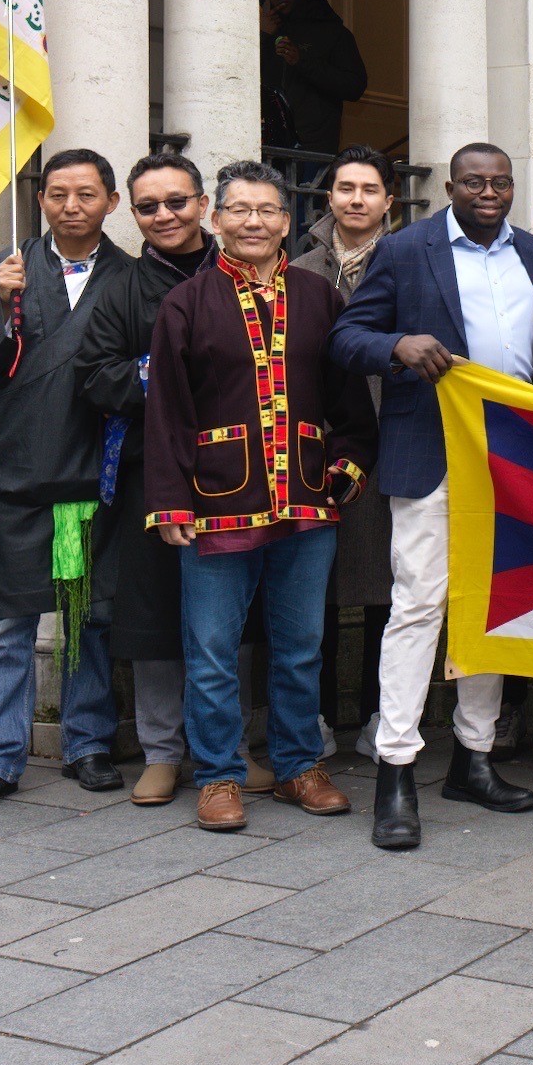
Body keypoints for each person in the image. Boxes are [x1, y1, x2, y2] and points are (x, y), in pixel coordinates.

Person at [331, 141, 533, 838]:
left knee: (492, 606)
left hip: (515, 460)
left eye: (500, 181)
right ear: (450, 186)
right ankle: (396, 771)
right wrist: (398, 344)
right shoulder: (407, 249)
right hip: (430, 453)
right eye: (473, 181)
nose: (488, 191)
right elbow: (348, 336)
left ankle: (474, 757)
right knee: (420, 606)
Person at [146, 160, 375, 833]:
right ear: (216, 218)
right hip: (215, 501)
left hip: (306, 501)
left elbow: (350, 407)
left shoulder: (318, 295)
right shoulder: (184, 303)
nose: (254, 221)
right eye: (240, 209)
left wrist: (348, 465)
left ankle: (301, 763)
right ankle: (219, 773)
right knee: (213, 648)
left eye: (268, 209)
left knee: (301, 643)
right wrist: (171, 503)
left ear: (287, 220)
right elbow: (166, 410)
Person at [0, 149, 137, 813]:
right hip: (13, 478)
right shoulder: (9, 270)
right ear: (41, 199)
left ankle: (88, 742)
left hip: (90, 482)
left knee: (88, 624)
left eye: (87, 193)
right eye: (57, 193)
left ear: (112, 201)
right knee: (4, 628)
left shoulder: (131, 278)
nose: (71, 205)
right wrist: (0, 304)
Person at [78, 151, 219, 804]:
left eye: (177, 201)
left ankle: (230, 745)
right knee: (155, 616)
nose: (164, 214)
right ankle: (162, 749)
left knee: (233, 617)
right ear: (131, 212)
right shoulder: (121, 288)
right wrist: (168, 377)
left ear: (203, 204)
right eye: (149, 205)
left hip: (237, 473)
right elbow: (97, 374)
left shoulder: (241, 271)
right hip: (149, 474)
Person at [292, 147, 399, 773]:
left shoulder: (413, 264)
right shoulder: (299, 266)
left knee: (388, 584)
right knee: (318, 588)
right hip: (313, 446)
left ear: (389, 200)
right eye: (344, 188)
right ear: (328, 197)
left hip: (389, 443)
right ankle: (322, 714)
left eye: (369, 189)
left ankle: (385, 712)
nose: (356, 199)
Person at [258, 0, 369, 161]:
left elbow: (355, 86)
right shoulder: (269, 31)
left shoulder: (333, 32)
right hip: (269, 145)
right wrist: (265, 36)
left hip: (313, 147)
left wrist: (301, 61)